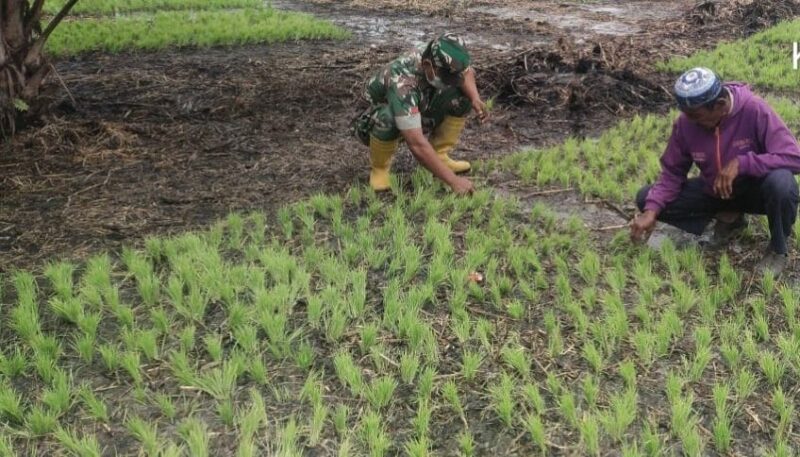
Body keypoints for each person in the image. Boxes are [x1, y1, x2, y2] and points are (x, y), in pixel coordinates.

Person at [631, 67, 800, 275]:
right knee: (645, 198)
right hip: (716, 191)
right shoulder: (686, 123)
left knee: (782, 183)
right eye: (686, 114)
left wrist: (742, 163)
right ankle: (730, 218)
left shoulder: (754, 109)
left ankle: (777, 249)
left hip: (756, 192)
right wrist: (651, 211)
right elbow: (672, 173)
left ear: (720, 105)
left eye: (696, 116)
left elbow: (794, 157)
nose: (690, 121)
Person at [352, 33, 489, 195]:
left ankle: (440, 155)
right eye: (445, 77)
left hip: (417, 105)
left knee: (462, 97)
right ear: (427, 65)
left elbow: (466, 73)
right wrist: (453, 181)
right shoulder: (403, 81)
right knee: (388, 116)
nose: (448, 81)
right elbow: (416, 144)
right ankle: (380, 170)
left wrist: (475, 98)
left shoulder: (441, 55)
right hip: (370, 124)